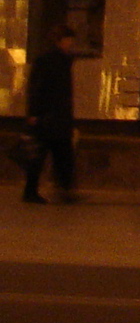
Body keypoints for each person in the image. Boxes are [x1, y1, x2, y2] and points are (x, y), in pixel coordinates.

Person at [20, 26, 79, 205]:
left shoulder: (60, 60)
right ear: (60, 40)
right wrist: (33, 113)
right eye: (69, 39)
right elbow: (37, 88)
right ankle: (52, 190)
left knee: (54, 154)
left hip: (53, 117)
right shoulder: (50, 60)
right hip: (50, 117)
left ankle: (56, 189)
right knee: (52, 154)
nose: (71, 43)